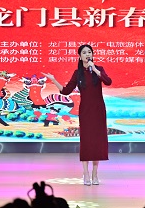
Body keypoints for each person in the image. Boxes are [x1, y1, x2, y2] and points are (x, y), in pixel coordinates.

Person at [43, 44, 112, 186]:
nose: (87, 54)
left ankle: (95, 173)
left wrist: (96, 70)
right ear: (80, 56)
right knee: (86, 141)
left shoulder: (99, 69)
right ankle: (85, 173)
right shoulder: (78, 73)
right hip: (85, 110)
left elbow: (108, 81)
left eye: (89, 52)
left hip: (98, 110)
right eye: (84, 52)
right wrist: (54, 80)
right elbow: (66, 91)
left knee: (98, 141)